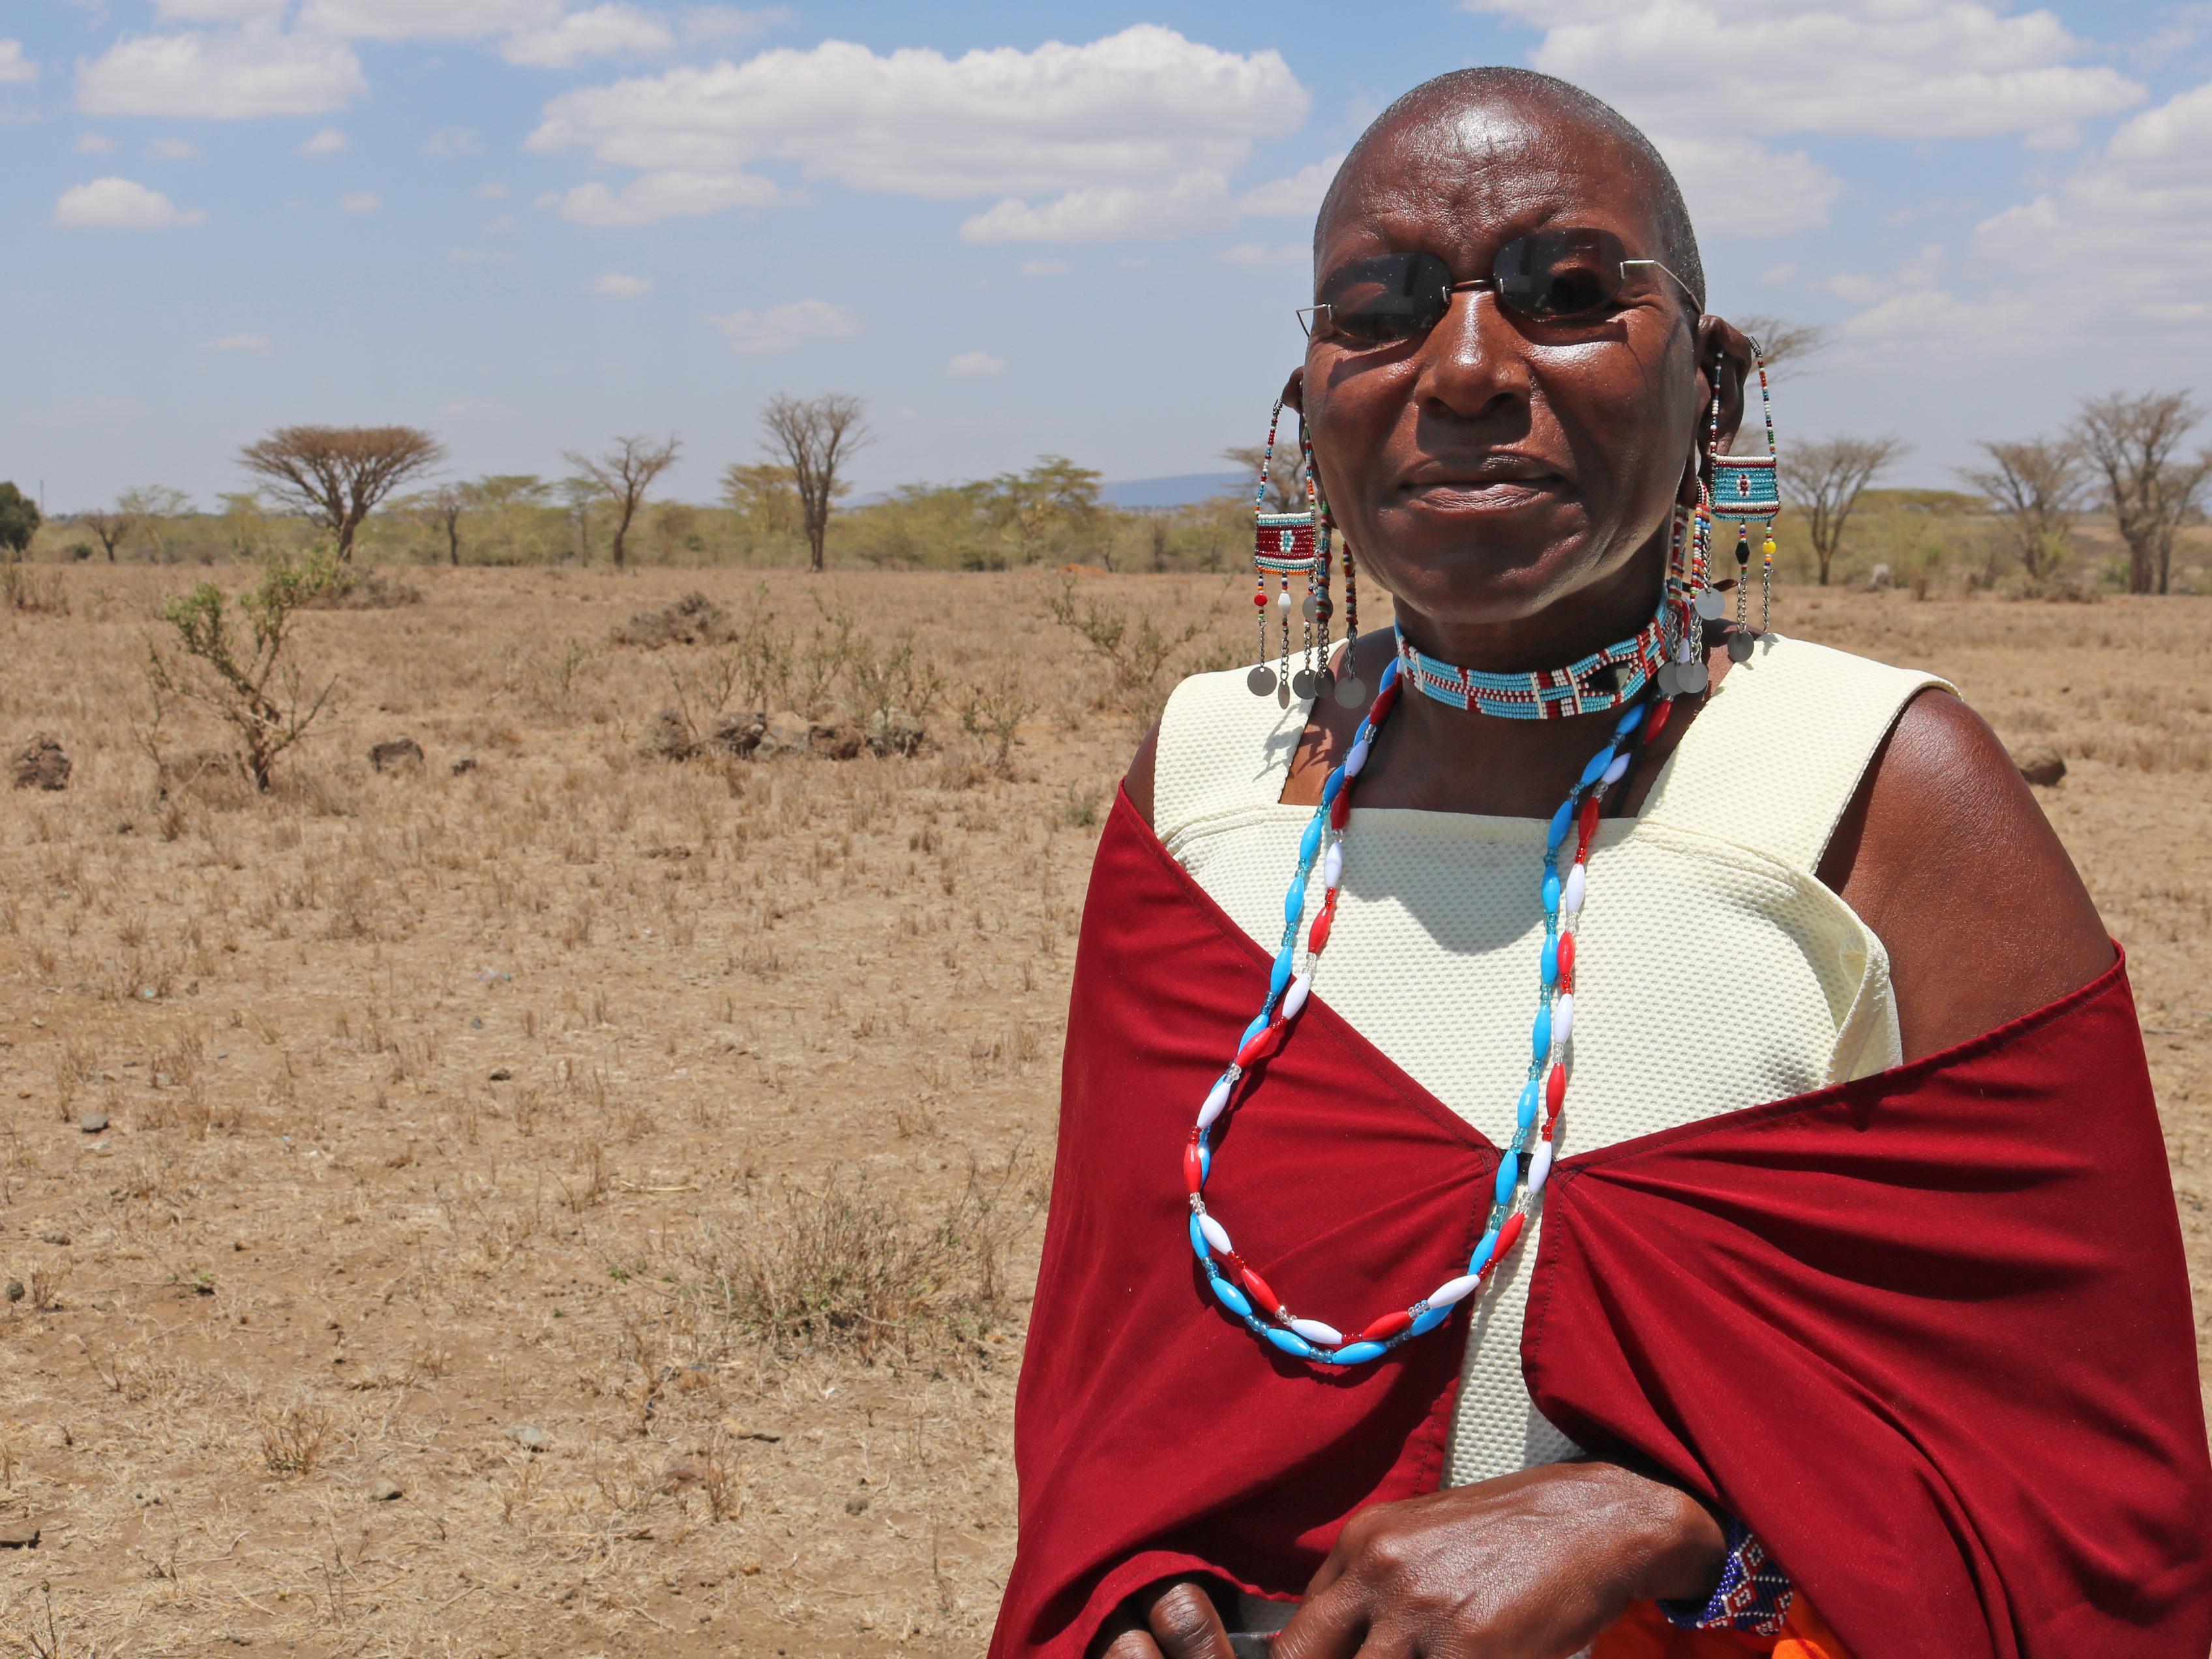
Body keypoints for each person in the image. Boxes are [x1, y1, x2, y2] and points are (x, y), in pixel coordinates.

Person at [991, 68, 2211, 1659]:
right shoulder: (1205, 781)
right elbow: (1109, 1379)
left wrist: (1677, 1535)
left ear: (1710, 383)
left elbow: (2091, 1499)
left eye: (1569, 296)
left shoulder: (1887, 793)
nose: (1471, 368)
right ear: (1306, 401)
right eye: (1383, 307)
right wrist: (1119, 1579)